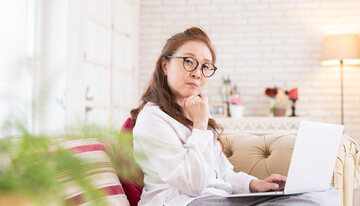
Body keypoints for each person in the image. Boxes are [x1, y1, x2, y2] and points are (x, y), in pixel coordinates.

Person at [130, 27, 342, 206]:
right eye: (188, 61)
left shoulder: (195, 113)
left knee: (325, 194)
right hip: (184, 201)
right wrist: (200, 126)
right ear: (165, 65)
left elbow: (221, 173)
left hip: (217, 197)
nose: (197, 73)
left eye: (205, 66)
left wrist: (254, 184)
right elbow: (193, 184)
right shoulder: (153, 119)